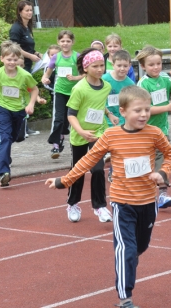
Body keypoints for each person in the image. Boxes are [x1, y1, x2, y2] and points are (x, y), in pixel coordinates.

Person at [45, 86, 171, 308]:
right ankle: (125, 299)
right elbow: (89, 160)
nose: (144, 114)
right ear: (123, 111)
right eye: (138, 110)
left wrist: (162, 173)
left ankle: (128, 266)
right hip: (123, 203)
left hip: (147, 202)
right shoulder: (111, 135)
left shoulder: (154, 133)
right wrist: (65, 180)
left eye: (147, 109)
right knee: (125, 249)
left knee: (138, 248)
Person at [0, 41, 38, 187]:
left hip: (20, 111)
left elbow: (34, 90)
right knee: (5, 138)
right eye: (9, 59)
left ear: (19, 60)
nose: (12, 62)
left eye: (15, 60)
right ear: (2, 59)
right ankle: (4, 172)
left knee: (15, 137)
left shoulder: (24, 75)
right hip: (3, 109)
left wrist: (31, 104)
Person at [64, 48, 113, 223]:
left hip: (98, 133)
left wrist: (109, 114)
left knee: (98, 169)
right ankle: (72, 204)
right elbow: (70, 114)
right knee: (78, 171)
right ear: (86, 68)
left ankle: (100, 206)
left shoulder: (106, 86)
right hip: (80, 135)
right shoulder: (79, 88)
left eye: (102, 65)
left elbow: (99, 104)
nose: (100, 69)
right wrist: (81, 131)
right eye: (95, 66)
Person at [136, 45, 171, 208]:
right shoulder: (143, 84)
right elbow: (144, 109)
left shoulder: (165, 79)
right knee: (151, 162)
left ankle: (162, 194)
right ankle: (151, 193)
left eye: (158, 63)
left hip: (162, 130)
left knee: (166, 159)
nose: (156, 67)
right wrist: (166, 108)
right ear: (143, 67)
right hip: (146, 130)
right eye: (151, 65)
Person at [42, 30, 83, 159]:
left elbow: (85, 74)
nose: (65, 43)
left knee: (70, 120)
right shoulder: (56, 57)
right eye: (62, 41)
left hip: (74, 92)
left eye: (68, 41)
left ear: (72, 42)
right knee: (58, 119)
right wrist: (45, 79)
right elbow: (47, 73)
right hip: (59, 91)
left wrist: (75, 78)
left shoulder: (77, 57)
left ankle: (75, 144)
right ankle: (55, 145)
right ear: (58, 42)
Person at [103, 50, 135, 128]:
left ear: (129, 66)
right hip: (105, 118)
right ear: (113, 65)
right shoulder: (104, 79)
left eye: (125, 66)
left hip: (122, 120)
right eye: (119, 65)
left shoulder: (130, 84)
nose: (122, 68)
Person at [9, 0, 41, 73]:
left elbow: (28, 47)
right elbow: (14, 48)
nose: (30, 12)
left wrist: (38, 54)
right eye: (27, 10)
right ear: (20, 12)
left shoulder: (27, 27)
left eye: (31, 10)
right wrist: (30, 56)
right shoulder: (16, 28)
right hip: (20, 66)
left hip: (28, 65)